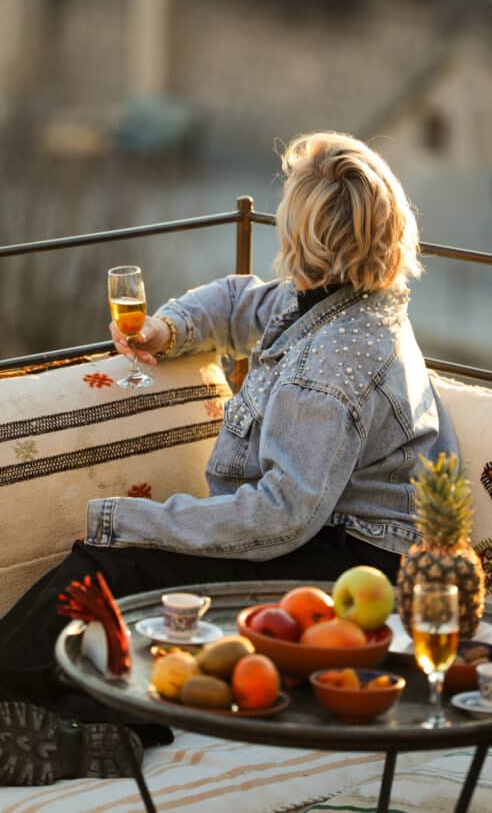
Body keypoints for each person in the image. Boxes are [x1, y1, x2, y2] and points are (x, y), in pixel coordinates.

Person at [0, 131, 458, 786]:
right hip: (331, 536)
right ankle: (94, 727)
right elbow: (242, 302)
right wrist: (170, 328)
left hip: (353, 568)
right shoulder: (343, 304)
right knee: (129, 566)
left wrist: (139, 519)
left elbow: (280, 518)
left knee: (113, 560)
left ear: (304, 236)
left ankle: (39, 703)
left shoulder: (330, 370)